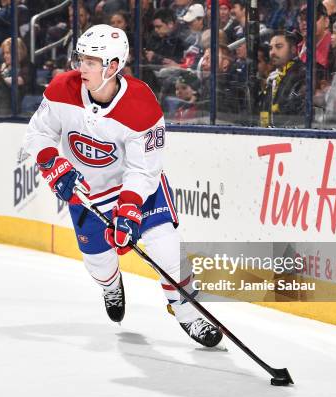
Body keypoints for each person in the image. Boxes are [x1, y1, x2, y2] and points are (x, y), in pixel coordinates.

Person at [23, 24, 223, 348]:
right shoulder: (63, 88)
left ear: (113, 66)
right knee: (99, 265)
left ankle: (187, 313)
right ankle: (111, 284)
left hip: (137, 188)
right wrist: (54, 165)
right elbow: (37, 134)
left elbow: (144, 171)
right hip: (87, 193)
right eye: (80, 58)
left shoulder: (142, 104)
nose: (80, 67)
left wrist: (128, 208)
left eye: (90, 61)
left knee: (167, 251)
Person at [259, 30, 306, 127]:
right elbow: (265, 109)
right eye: (271, 48)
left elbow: (296, 112)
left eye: (279, 47)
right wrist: (263, 128)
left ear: (293, 49)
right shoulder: (272, 77)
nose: (272, 52)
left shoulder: (303, 74)